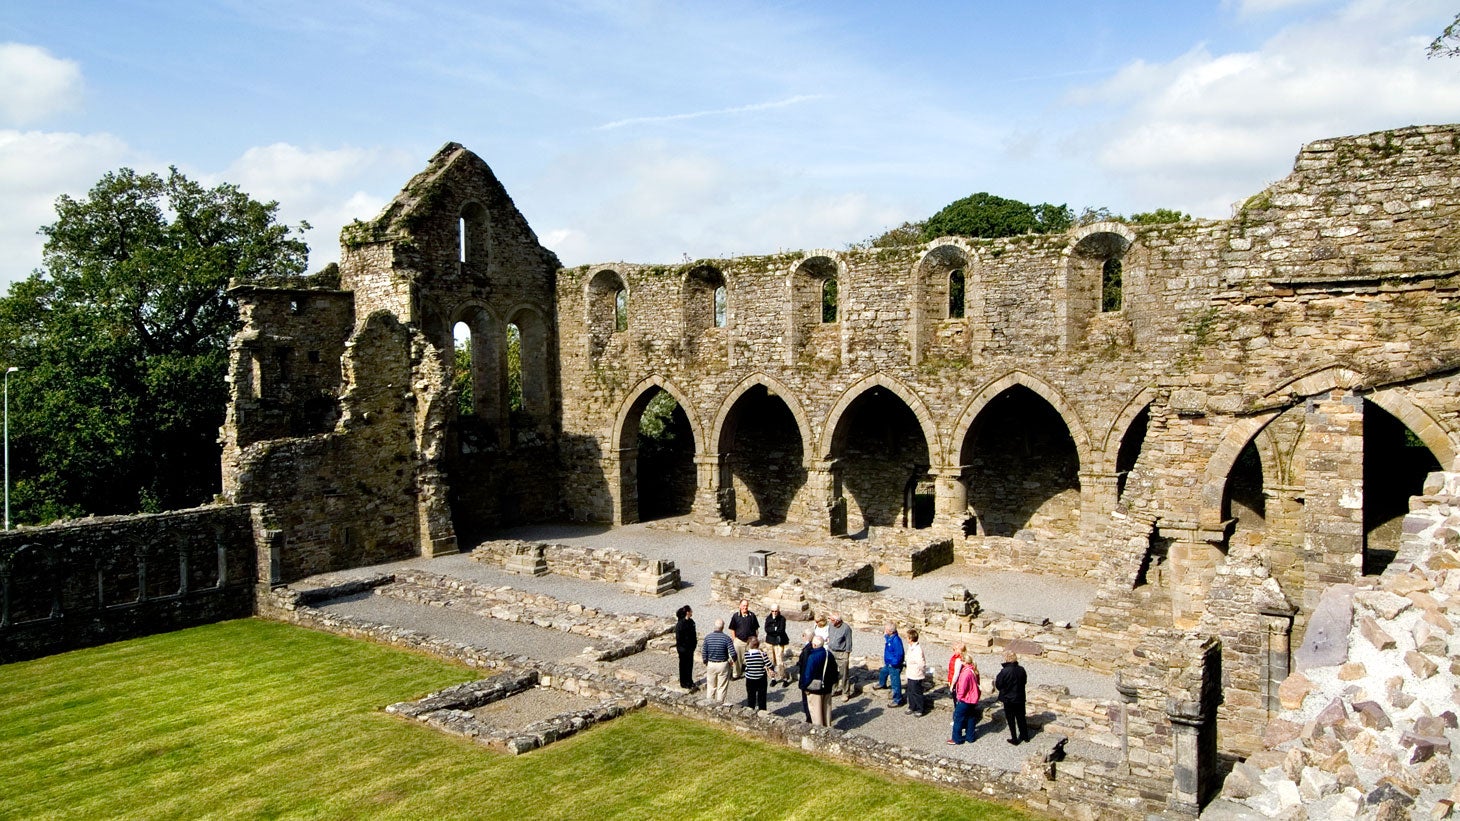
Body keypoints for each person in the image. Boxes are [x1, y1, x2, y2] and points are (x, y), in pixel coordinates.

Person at [799, 634, 839, 726]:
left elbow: (808, 674)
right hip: (827, 687)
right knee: (826, 712)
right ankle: (828, 731)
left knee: (816, 714)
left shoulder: (813, 657)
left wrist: (804, 687)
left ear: (815, 645)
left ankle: (819, 735)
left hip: (815, 689)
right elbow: (835, 670)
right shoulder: (829, 654)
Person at [996, 649, 1030, 745]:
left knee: (1011, 719)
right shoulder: (1021, 669)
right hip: (1020, 697)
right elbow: (1024, 681)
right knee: (1021, 717)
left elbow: (998, 684)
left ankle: (1014, 738)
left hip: (1008, 699)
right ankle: (1025, 736)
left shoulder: (1004, 671)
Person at [948, 651, 981, 745]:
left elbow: (962, 688)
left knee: (958, 719)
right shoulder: (973, 670)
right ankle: (970, 737)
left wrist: (958, 698)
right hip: (972, 699)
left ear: (964, 662)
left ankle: (956, 739)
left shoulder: (965, 673)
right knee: (970, 718)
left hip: (965, 700)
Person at [701, 618, 737, 704]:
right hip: (723, 664)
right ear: (723, 627)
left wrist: (705, 661)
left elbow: (704, 651)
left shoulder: (708, 637)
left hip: (711, 663)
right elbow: (733, 653)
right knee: (722, 687)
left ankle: (709, 705)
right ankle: (719, 705)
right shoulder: (726, 638)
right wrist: (733, 661)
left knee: (711, 687)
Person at [728, 599, 759, 679]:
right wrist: (734, 639)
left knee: (751, 657)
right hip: (739, 641)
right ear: (740, 606)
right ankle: (736, 674)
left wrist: (755, 639)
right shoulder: (736, 616)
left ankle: (752, 673)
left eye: (746, 606)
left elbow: (756, 628)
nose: (745, 607)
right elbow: (732, 628)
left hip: (750, 642)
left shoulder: (752, 615)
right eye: (743, 605)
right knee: (737, 659)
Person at [876, 623, 905, 707]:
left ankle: (898, 700)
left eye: (886, 629)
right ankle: (882, 684)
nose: (884, 631)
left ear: (890, 631)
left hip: (893, 665)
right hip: (889, 663)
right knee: (883, 672)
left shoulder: (896, 641)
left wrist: (894, 664)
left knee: (895, 682)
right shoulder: (890, 638)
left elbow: (899, 654)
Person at [825, 613, 852, 696]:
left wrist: (847, 654)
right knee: (832, 672)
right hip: (831, 651)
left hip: (841, 653)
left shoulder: (846, 628)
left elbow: (849, 642)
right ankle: (833, 689)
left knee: (844, 674)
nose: (830, 621)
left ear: (837, 621)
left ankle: (845, 692)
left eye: (832, 620)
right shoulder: (830, 625)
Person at [742, 636, 772, 711]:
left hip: (750, 677)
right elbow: (769, 665)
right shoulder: (762, 654)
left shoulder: (746, 654)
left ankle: (750, 710)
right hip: (761, 677)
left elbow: (745, 665)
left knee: (751, 696)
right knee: (761, 696)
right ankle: (762, 712)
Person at [763, 604, 790, 685]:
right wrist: (775, 629)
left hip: (778, 642)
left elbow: (781, 630)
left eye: (776, 611)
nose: (774, 613)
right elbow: (767, 629)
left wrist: (773, 630)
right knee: (770, 661)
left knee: (780, 661)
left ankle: (784, 678)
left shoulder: (782, 619)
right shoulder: (768, 618)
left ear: (778, 611)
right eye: (772, 611)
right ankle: (773, 678)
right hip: (770, 642)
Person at [904, 627, 928, 717]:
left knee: (916, 692)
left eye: (907, 637)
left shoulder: (917, 650)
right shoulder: (910, 647)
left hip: (916, 674)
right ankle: (912, 706)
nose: (906, 639)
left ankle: (920, 709)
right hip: (910, 673)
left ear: (911, 638)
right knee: (910, 691)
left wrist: (920, 672)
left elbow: (921, 663)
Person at [674, 605, 697, 691]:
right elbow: (679, 638)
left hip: (690, 648)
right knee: (683, 665)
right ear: (687, 612)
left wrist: (693, 645)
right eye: (691, 611)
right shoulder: (680, 624)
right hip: (683, 649)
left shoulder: (691, 622)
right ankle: (684, 682)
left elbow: (693, 635)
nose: (692, 612)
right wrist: (683, 648)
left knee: (690, 665)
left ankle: (689, 681)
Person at [795, 627, 814, 721]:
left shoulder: (807, 650)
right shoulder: (814, 647)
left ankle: (809, 717)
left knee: (806, 700)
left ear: (804, 636)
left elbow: (806, 666)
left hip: (806, 678)